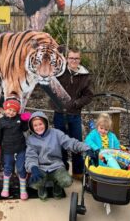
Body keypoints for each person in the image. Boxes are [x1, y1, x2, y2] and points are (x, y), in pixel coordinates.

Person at [25, 111, 91, 201]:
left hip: (56, 166)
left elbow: (70, 142)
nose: (38, 127)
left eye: (40, 124)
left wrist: (86, 148)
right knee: (34, 183)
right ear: (32, 127)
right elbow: (30, 156)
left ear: (45, 123)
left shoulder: (56, 133)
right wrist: (33, 167)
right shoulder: (31, 139)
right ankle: (41, 188)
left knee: (67, 181)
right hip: (41, 167)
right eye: (35, 125)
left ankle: (57, 186)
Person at [52, 48, 93, 180]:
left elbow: (89, 95)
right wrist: (56, 102)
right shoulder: (59, 72)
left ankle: (78, 172)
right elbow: (50, 88)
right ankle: (62, 170)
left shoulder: (85, 75)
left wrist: (76, 103)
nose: (74, 61)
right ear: (66, 58)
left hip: (74, 114)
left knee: (76, 143)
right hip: (59, 114)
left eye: (76, 58)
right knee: (60, 143)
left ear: (79, 59)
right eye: (71, 58)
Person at [0, 98, 31, 200]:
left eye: (14, 111)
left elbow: (25, 129)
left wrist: (25, 120)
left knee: (21, 168)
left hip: (20, 148)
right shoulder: (1, 121)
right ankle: (5, 188)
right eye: (9, 109)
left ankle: (23, 189)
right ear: (5, 109)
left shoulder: (19, 119)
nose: (11, 112)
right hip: (7, 149)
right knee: (7, 167)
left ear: (17, 111)